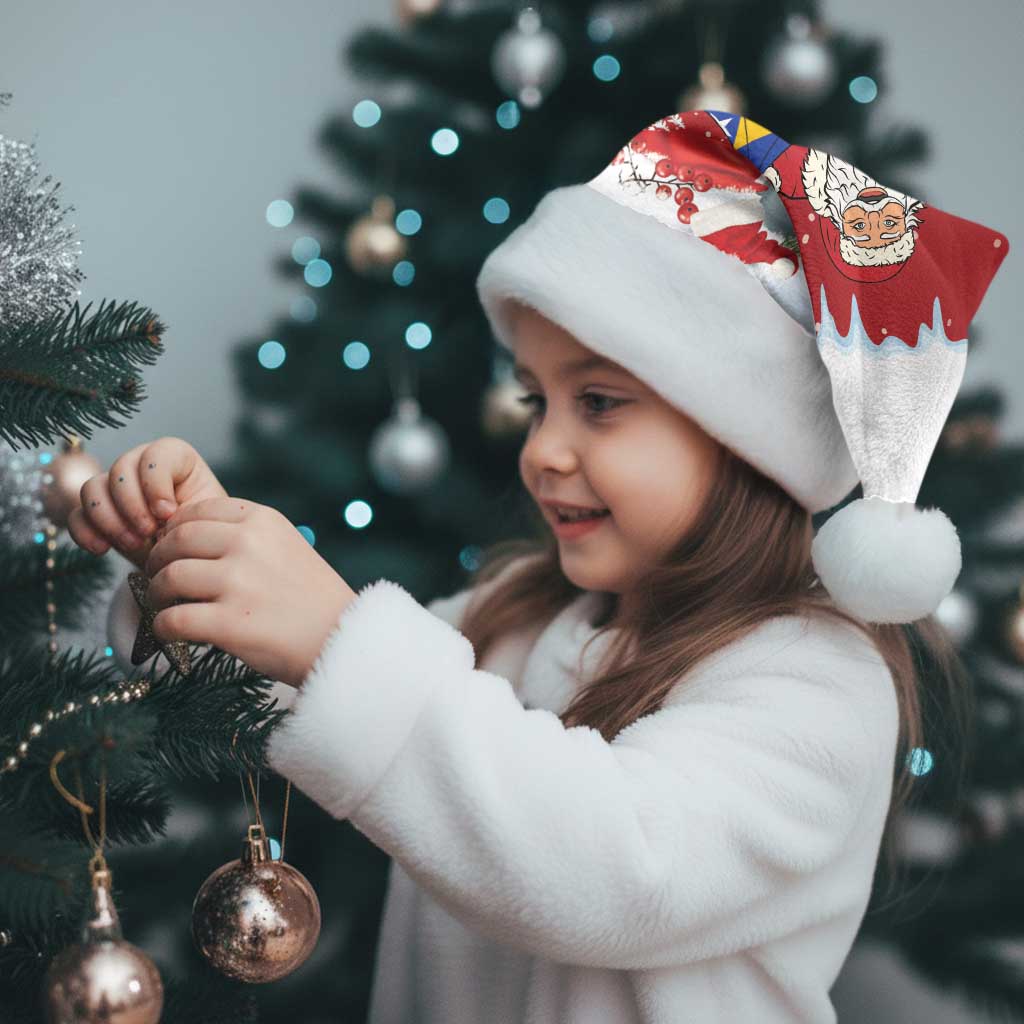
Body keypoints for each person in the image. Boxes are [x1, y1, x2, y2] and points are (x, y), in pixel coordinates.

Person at [73, 109, 1009, 1023]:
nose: (543, 450)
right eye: (535, 402)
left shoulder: (819, 683)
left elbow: (616, 870)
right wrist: (190, 565)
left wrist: (334, 636)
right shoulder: (514, 616)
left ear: (747, 441)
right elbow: (306, 691)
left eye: (598, 403)